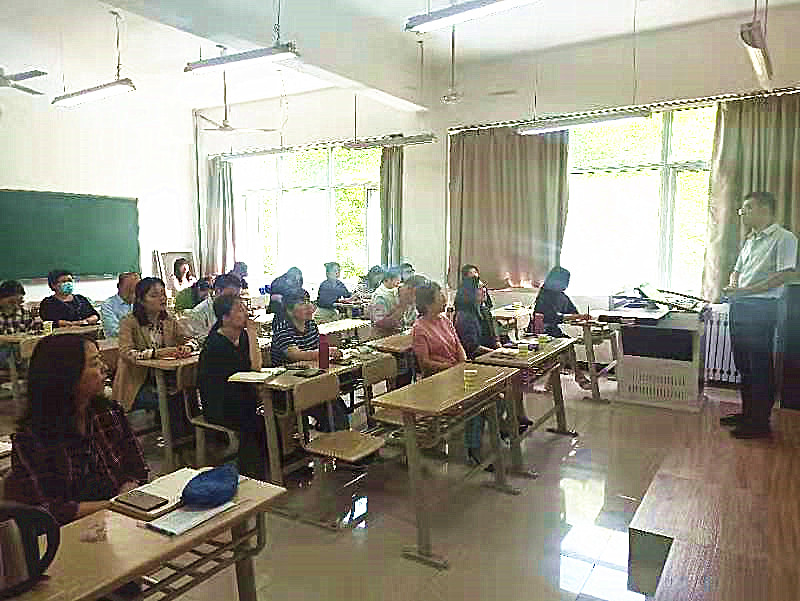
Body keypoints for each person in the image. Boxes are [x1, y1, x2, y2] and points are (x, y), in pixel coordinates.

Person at [4, 334, 149, 525]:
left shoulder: (109, 413)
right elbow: (48, 510)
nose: (105, 367)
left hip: (119, 522)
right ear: (66, 375)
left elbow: (138, 468)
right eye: (94, 363)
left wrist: (129, 489)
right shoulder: (31, 439)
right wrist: (114, 505)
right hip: (68, 532)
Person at [721, 191, 798, 439]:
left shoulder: (785, 238)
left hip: (761, 308)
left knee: (759, 366)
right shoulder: (750, 239)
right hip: (740, 305)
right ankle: (748, 414)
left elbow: (783, 275)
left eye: (747, 208)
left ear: (764, 209)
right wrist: (734, 285)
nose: (742, 213)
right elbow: (737, 269)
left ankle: (760, 423)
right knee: (743, 364)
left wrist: (744, 291)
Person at [414, 281, 495, 468]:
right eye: (440, 296)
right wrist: (452, 368)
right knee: (476, 402)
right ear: (428, 303)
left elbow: (459, 345)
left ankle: (497, 435)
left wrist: (462, 363)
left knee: (493, 394)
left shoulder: (444, 320)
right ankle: (473, 449)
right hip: (437, 382)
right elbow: (425, 363)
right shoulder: (419, 328)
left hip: (455, 373)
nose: (445, 299)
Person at [198, 295, 267, 480]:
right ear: (225, 317)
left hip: (241, 398)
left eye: (245, 309)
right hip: (219, 405)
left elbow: (254, 370)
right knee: (255, 421)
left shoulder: (241, 337)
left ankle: (270, 465)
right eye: (239, 310)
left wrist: (250, 335)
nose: (246, 314)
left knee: (271, 414)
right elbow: (254, 369)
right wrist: (253, 333)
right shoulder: (216, 343)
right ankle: (250, 474)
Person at [270, 289, 348, 431]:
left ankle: (336, 436)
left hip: (311, 379)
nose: (308, 306)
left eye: (308, 302)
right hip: (288, 387)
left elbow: (316, 349)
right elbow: (296, 355)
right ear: (289, 310)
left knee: (336, 406)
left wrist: (328, 352)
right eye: (302, 303)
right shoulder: (282, 329)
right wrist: (326, 351)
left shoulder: (311, 325)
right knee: (332, 409)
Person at [112, 277, 194, 412]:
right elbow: (126, 352)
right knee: (171, 402)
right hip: (137, 382)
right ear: (141, 300)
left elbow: (191, 340)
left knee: (188, 395)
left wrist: (188, 347)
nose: (162, 299)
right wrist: (156, 353)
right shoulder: (128, 322)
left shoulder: (169, 320)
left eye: (163, 294)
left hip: (165, 378)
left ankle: (185, 426)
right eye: (154, 295)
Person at [532, 267, 592, 389]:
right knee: (566, 349)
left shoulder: (561, 296)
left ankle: (552, 384)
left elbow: (573, 312)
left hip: (552, 331)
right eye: (565, 282)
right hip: (541, 333)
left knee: (566, 349)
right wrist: (576, 316)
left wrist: (580, 317)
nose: (566, 285)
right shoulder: (544, 296)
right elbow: (550, 317)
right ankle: (578, 376)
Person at [180, 274, 241, 341]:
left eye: (237, 296)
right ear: (218, 290)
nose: (234, 300)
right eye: (231, 295)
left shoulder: (232, 311)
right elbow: (200, 341)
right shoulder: (199, 313)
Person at [100, 272, 140, 338]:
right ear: (119, 286)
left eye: (135, 288)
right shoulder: (108, 305)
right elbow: (113, 331)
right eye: (128, 287)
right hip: (117, 342)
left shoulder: (141, 302)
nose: (131, 291)